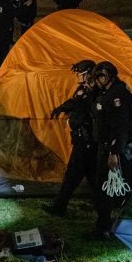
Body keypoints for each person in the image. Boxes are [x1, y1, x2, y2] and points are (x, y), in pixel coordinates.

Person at [89, 61, 132, 239]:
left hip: (115, 149)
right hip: (109, 147)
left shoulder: (118, 95)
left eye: (99, 77)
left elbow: (121, 126)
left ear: (106, 76)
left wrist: (114, 152)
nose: (97, 81)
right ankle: (110, 225)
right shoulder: (107, 92)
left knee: (106, 190)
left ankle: (104, 229)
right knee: (106, 189)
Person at [44, 60, 98, 216]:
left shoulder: (94, 92)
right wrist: (61, 108)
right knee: (92, 175)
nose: (77, 77)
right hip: (82, 140)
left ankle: (59, 207)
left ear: (88, 74)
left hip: (86, 142)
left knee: (73, 175)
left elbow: (82, 104)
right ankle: (103, 204)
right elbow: (75, 101)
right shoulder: (83, 90)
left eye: (79, 74)